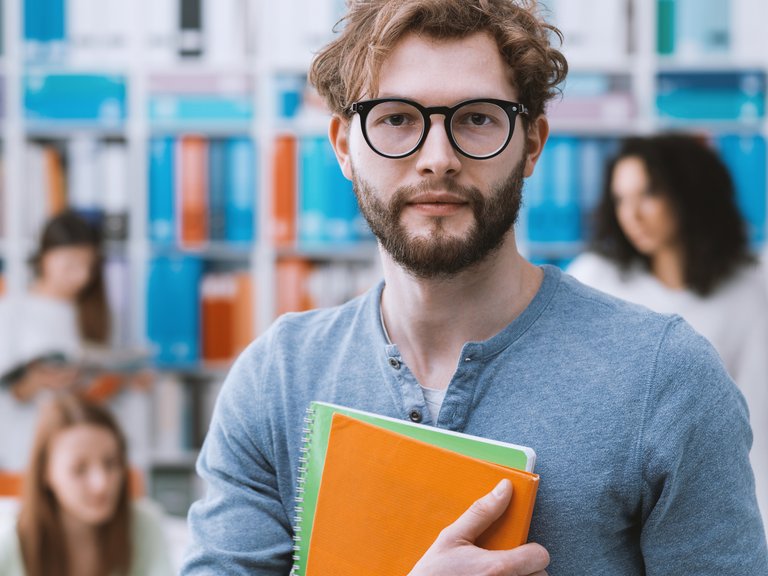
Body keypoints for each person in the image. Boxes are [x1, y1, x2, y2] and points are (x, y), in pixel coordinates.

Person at [183, 1, 768, 574]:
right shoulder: (275, 379)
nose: (438, 159)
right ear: (343, 146)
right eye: (396, 118)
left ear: (532, 144)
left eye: (478, 118)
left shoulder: (668, 378)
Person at [567, 133, 768, 526]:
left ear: (689, 194)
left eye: (649, 194)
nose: (632, 215)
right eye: (621, 199)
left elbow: (756, 412)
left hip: (719, 483)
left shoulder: (749, 287)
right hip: (618, 486)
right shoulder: (594, 279)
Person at [0, 392, 175, 576]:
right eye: (79, 469)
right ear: (45, 472)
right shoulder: (9, 544)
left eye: (110, 463)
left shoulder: (144, 524)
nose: (101, 484)